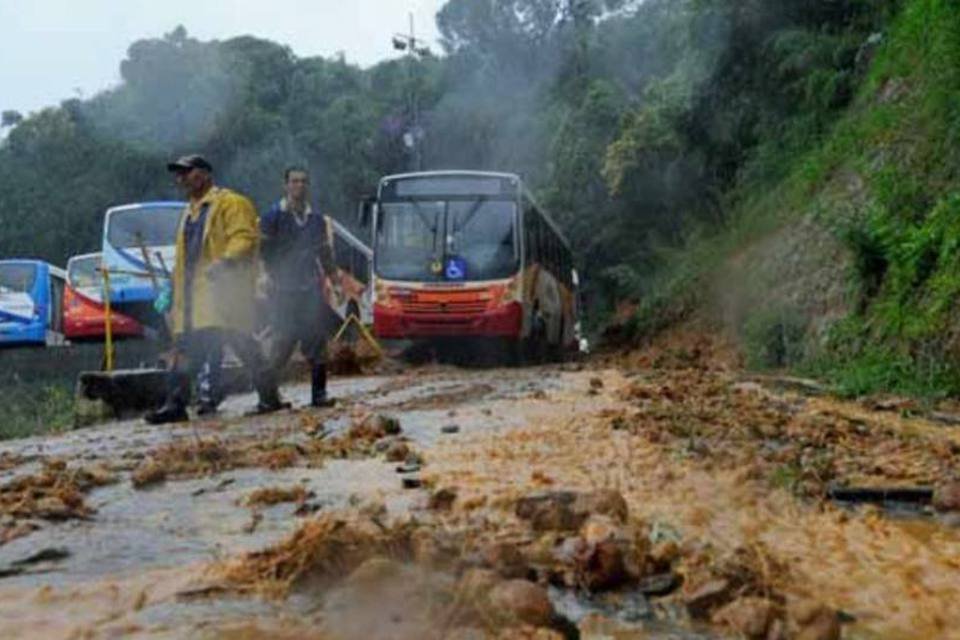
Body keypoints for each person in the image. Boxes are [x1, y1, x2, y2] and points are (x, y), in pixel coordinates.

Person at [145, 154, 285, 424]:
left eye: (187, 173)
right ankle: (175, 403)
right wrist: (172, 290)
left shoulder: (231, 203)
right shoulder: (190, 211)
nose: (181, 179)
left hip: (222, 292)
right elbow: (185, 258)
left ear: (205, 174)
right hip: (194, 297)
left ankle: (269, 396)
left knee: (242, 344)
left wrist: (226, 262)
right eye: (179, 174)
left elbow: (244, 237)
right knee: (186, 349)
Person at [260, 166, 337, 408]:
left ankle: (319, 395)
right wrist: (266, 277)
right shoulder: (273, 217)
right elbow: (263, 252)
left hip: (310, 288)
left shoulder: (316, 220)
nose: (299, 186)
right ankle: (268, 398)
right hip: (283, 290)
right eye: (294, 181)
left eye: (303, 181)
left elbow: (324, 251)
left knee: (316, 341)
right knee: (282, 344)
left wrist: (333, 277)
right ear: (286, 185)